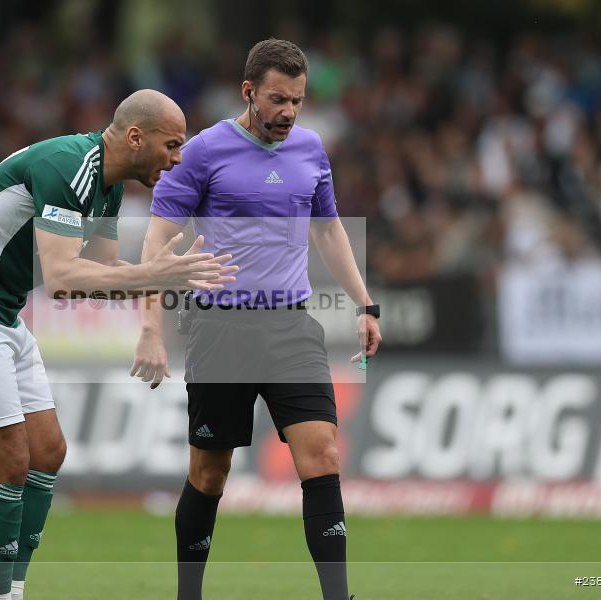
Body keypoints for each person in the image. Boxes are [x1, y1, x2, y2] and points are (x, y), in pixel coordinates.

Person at [0, 89, 237, 600]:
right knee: (9, 464)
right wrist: (154, 272)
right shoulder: (68, 166)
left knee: (48, 452)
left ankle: (13, 589)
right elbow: (61, 279)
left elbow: (99, 275)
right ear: (134, 137)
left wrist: (167, 280)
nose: (177, 158)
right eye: (172, 145)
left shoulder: (107, 185)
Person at [131, 40, 382, 600]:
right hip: (222, 330)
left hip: (291, 326)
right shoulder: (201, 152)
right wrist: (150, 328)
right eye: (277, 100)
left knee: (323, 455)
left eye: (297, 100)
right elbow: (156, 239)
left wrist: (364, 304)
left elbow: (329, 229)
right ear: (249, 93)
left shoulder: (312, 150)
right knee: (209, 475)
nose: (289, 112)